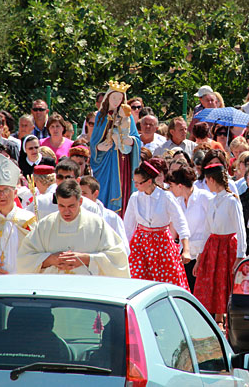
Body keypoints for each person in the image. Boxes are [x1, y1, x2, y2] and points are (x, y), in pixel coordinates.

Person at [17, 180, 130, 276]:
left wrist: (86, 259)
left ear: (80, 201)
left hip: (86, 292)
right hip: (52, 291)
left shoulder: (97, 224)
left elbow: (118, 259)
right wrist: (51, 259)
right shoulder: (46, 225)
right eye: (62, 206)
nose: (66, 211)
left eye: (71, 206)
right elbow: (24, 259)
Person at [124, 159, 191, 290]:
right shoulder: (135, 198)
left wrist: (186, 249)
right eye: (134, 182)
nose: (136, 185)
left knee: (167, 282)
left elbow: (180, 222)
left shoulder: (166, 196)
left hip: (162, 244)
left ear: (149, 181)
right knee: (138, 282)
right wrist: (125, 251)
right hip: (140, 244)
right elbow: (128, 227)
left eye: (139, 182)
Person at [192, 163, 247, 324]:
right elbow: (207, 230)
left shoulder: (231, 201)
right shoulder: (212, 200)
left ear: (211, 179)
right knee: (212, 285)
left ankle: (225, 322)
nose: (206, 184)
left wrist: (240, 255)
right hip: (213, 246)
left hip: (227, 246)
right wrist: (200, 257)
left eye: (207, 180)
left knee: (225, 285)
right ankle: (215, 321)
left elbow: (240, 228)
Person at [90, 80, 142, 215]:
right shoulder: (100, 117)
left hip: (123, 161)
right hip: (107, 161)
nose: (116, 101)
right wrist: (100, 147)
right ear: (107, 98)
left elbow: (136, 139)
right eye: (113, 97)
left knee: (123, 191)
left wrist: (129, 141)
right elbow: (94, 141)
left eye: (119, 99)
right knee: (106, 190)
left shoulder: (127, 117)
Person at [79, 175, 130, 255]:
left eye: (84, 193)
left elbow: (123, 248)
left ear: (95, 194)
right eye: (79, 194)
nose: (81, 197)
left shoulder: (112, 218)